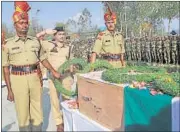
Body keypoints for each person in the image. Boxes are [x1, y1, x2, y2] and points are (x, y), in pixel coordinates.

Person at [2, 2, 62, 131]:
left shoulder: (35, 41)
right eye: (21, 23)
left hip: (35, 78)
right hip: (18, 80)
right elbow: (5, 68)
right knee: (23, 113)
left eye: (26, 23)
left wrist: (53, 71)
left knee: (37, 112)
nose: (24, 25)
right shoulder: (7, 44)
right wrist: (9, 90)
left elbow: (43, 58)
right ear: (15, 25)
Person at [36, 27, 74, 131]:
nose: (62, 36)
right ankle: (59, 123)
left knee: (67, 98)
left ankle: (67, 118)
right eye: (59, 34)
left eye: (63, 34)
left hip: (66, 76)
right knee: (55, 100)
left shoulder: (68, 47)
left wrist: (72, 74)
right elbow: (36, 39)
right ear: (54, 35)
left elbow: (71, 61)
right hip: (53, 76)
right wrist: (44, 32)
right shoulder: (47, 44)